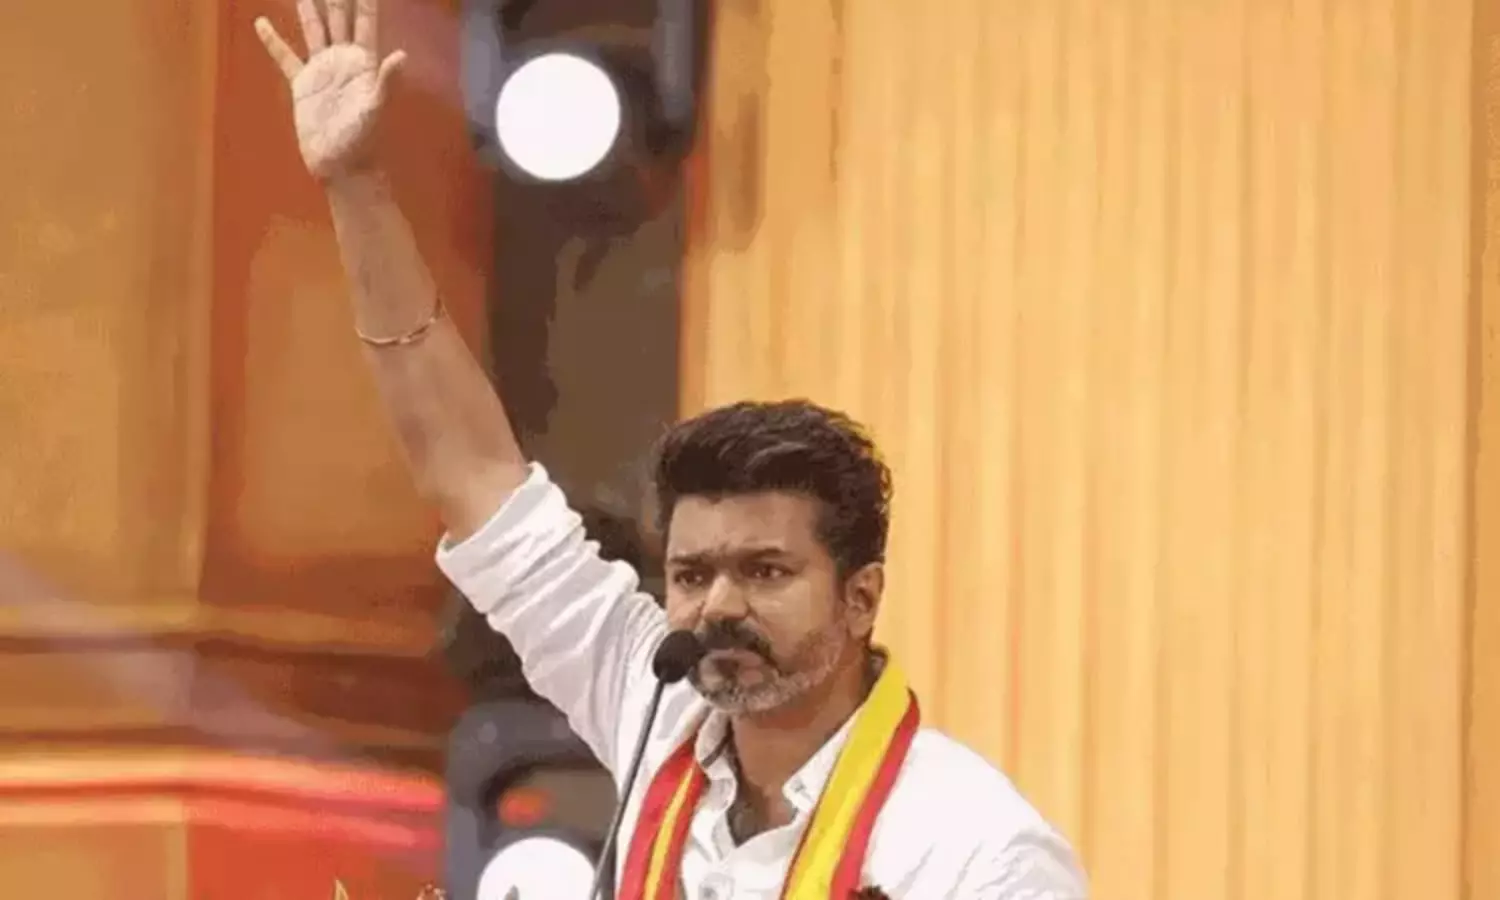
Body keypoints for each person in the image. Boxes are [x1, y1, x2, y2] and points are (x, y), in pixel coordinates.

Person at [253, 1, 1089, 896]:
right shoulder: (656, 708)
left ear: (861, 597)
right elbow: (468, 467)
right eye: (691, 575)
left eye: (765, 571)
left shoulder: (974, 849)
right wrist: (357, 187)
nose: (717, 606)